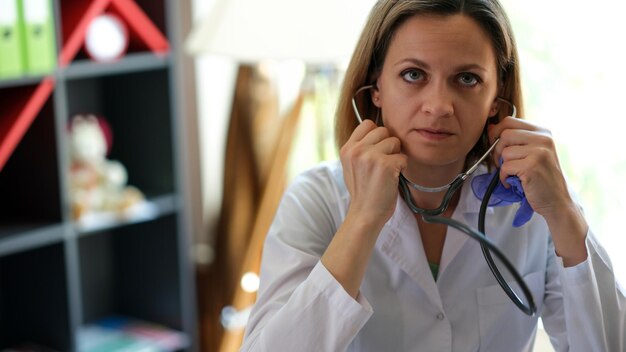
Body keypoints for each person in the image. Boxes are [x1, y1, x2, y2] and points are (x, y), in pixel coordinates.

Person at [240, 0, 626, 351]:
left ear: (497, 99)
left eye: (467, 79)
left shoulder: (537, 202)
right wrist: (362, 220)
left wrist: (564, 214)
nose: (439, 106)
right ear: (376, 88)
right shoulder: (316, 200)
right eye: (413, 74)